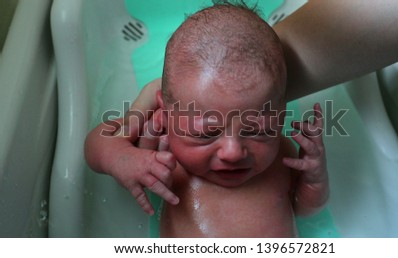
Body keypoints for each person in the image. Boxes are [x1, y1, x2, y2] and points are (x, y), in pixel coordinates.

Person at [86, 3, 328, 237]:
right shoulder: (166, 152)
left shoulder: (280, 154)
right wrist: (123, 158)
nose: (233, 152)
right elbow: (95, 146)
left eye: (256, 130)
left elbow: (304, 211)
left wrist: (313, 180)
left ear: (280, 116)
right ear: (169, 115)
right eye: (205, 134)